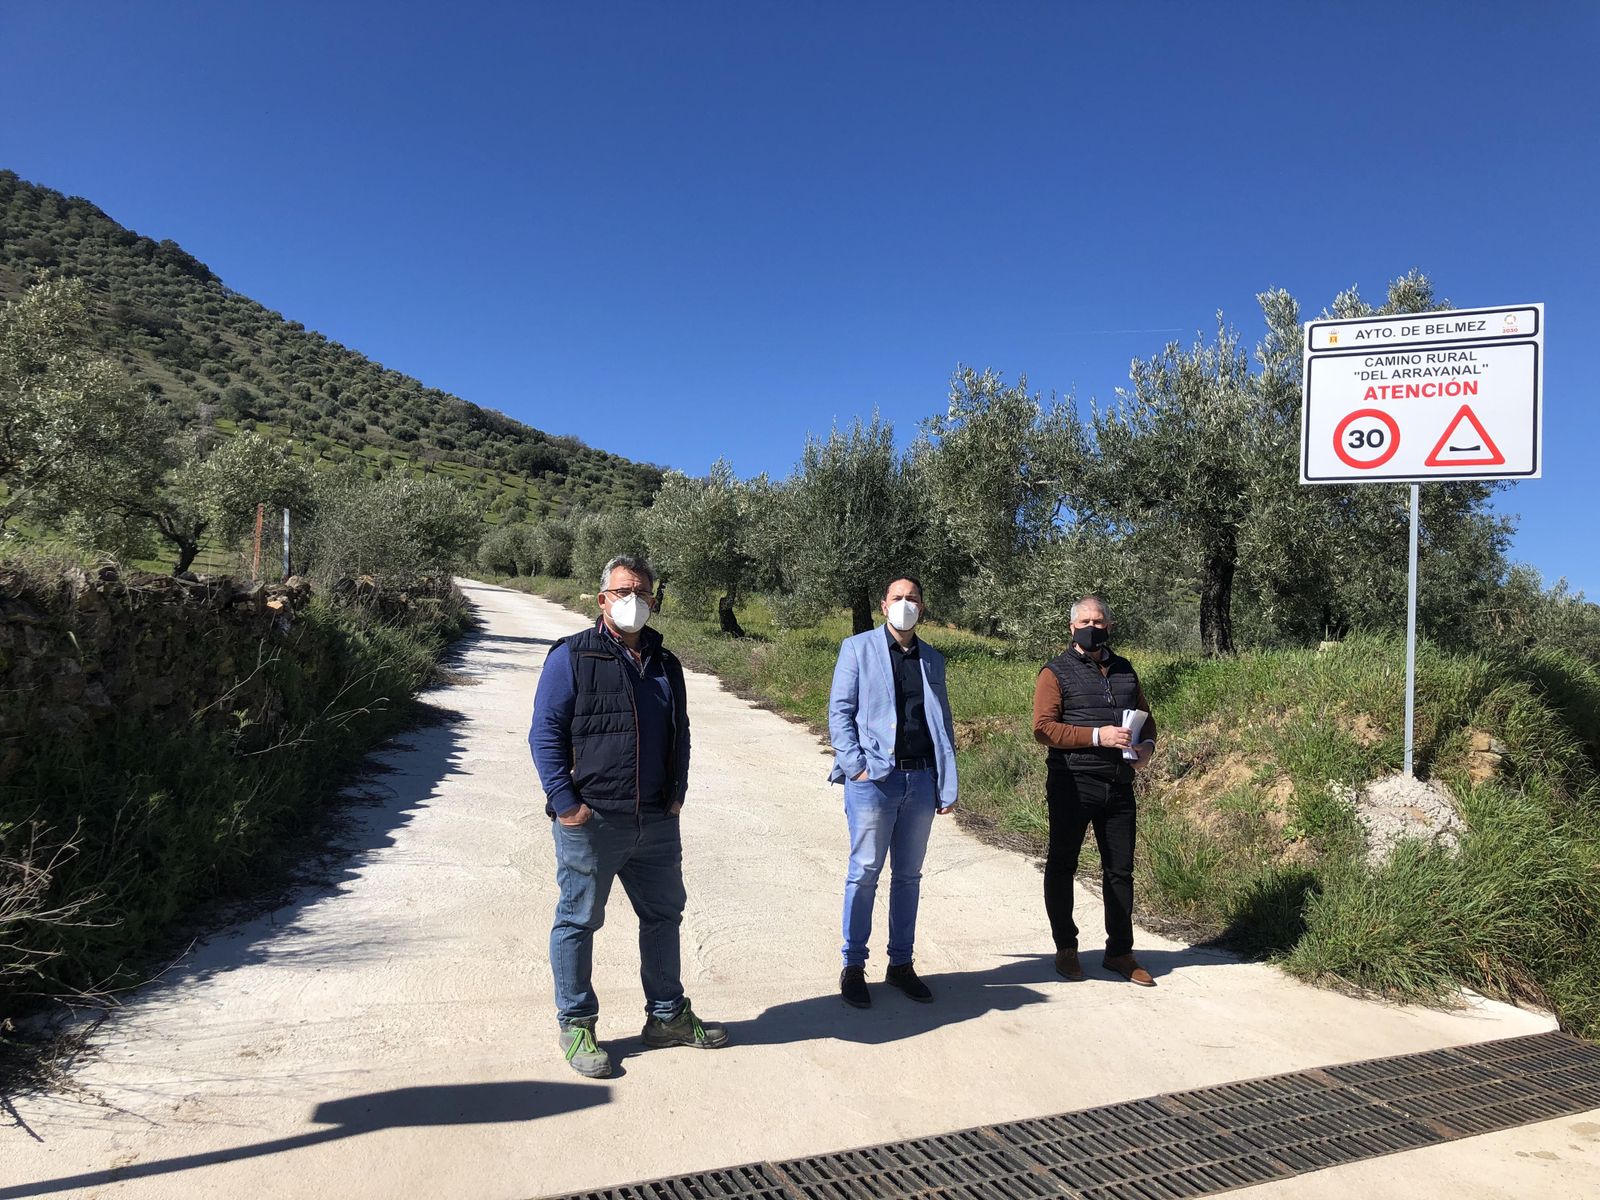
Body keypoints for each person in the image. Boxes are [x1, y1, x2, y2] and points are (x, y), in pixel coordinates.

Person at [529, 554, 727, 1078]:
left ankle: (666, 1018)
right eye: (622, 591)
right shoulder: (572, 657)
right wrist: (566, 804)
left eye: (642, 591)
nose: (633, 599)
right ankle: (576, 1024)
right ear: (602, 599)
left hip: (657, 820)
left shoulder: (666, 662)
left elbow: (681, 732)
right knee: (578, 920)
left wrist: (678, 791)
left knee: (664, 917)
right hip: (592, 821)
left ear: (655, 600)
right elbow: (544, 734)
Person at [827, 575, 959, 1008]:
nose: (905, 604)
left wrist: (945, 780)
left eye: (913, 599)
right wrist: (856, 768)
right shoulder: (858, 648)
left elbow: (943, 723)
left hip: (920, 781)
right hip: (874, 782)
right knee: (864, 872)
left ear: (923, 608)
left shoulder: (932, 659)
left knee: (908, 877)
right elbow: (840, 712)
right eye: (898, 598)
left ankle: (901, 964)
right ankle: (853, 965)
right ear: (884, 605)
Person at [1031, 595, 1158, 987]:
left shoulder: (1125, 671)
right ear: (1071, 627)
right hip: (1072, 782)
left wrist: (1146, 747)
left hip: (1119, 785)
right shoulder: (1055, 672)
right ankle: (1066, 947)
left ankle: (1120, 951)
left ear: (1110, 626)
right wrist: (1097, 735)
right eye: (1085, 621)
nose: (1092, 627)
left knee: (1120, 871)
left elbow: (1147, 720)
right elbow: (1043, 728)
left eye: (1099, 621)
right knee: (1063, 864)